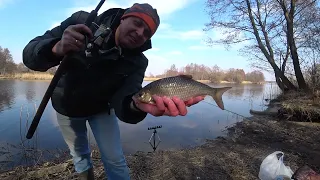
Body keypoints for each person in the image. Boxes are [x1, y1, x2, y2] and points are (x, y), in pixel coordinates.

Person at [22, 3, 204, 180]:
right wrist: (56, 48)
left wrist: (137, 106)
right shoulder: (82, 21)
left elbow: (126, 98)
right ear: (124, 18)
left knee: (115, 159)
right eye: (138, 23)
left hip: (102, 110)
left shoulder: (139, 62)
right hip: (66, 107)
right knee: (80, 156)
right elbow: (30, 54)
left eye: (147, 33)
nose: (140, 33)